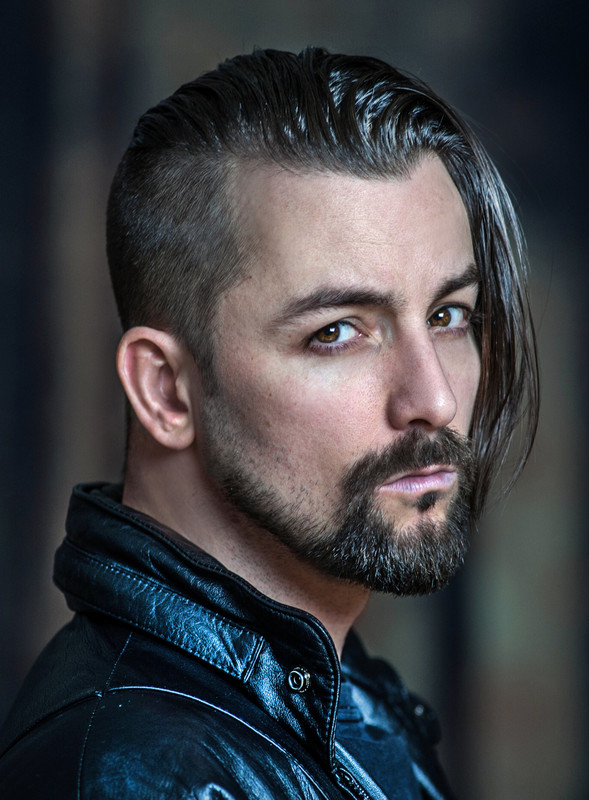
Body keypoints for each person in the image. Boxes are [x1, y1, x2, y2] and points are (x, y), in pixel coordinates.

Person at [0, 47, 538, 799]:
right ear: (165, 391)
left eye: (449, 315)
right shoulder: (141, 776)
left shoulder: (335, 694)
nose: (436, 399)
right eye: (337, 332)